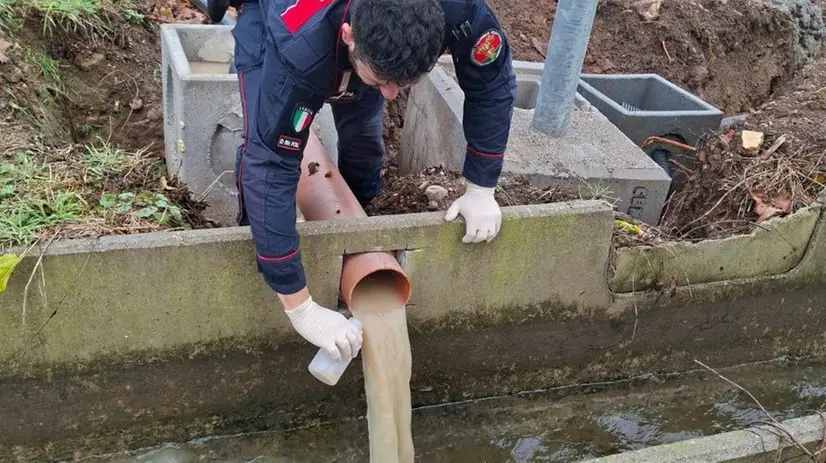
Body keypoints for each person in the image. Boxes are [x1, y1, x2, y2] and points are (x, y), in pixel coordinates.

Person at [230, 0, 516, 364]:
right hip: (276, 22)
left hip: (364, 43)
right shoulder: (298, 42)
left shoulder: (458, 10)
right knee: (263, 139)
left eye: (404, 82)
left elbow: (491, 83)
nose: (392, 95)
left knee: (365, 140)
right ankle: (250, 238)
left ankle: (359, 229)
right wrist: (300, 305)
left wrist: (482, 188)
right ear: (349, 35)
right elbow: (271, 163)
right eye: (383, 81)